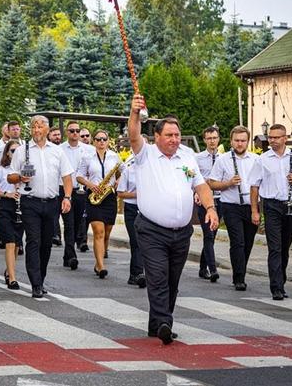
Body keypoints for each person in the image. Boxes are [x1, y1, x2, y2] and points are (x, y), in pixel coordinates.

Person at [128, 94, 218, 345]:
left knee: (172, 279)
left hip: (181, 232)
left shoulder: (188, 156)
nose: (174, 139)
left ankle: (156, 322)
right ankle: (165, 322)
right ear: (157, 137)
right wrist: (134, 112)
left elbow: (200, 185)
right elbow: (134, 134)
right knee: (157, 276)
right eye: (169, 135)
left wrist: (210, 208)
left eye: (177, 135)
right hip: (151, 230)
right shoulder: (144, 154)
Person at [8, 115, 73, 298]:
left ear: (47, 129)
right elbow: (10, 176)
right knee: (33, 241)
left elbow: (67, 176)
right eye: (34, 127)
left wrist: (67, 197)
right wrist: (21, 178)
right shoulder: (23, 150)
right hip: (30, 201)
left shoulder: (57, 151)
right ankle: (35, 284)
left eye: (40, 127)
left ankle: (41, 279)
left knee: (46, 244)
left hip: (51, 202)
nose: (36, 130)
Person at [249, 124, 292, 301]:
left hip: (291, 205)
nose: (272, 140)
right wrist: (255, 211)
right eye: (270, 137)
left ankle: (281, 281)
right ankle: (276, 287)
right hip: (271, 206)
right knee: (274, 248)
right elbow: (254, 186)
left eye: (276, 137)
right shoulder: (262, 159)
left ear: (285, 138)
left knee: (285, 247)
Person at [209, 126, 258, 291]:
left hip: (251, 206)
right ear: (231, 141)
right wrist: (228, 183)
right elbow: (212, 182)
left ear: (247, 141)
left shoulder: (256, 159)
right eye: (236, 140)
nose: (239, 144)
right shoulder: (223, 160)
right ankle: (239, 278)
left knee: (248, 243)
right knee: (238, 242)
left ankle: (241, 271)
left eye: (243, 140)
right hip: (230, 206)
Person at [77, 129, 123, 278]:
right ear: (94, 141)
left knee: (107, 232)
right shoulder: (87, 157)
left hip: (109, 196)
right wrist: (90, 185)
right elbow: (79, 176)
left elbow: (124, 171)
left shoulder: (114, 156)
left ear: (108, 141)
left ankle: (100, 259)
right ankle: (100, 265)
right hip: (94, 196)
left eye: (104, 139)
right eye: (98, 139)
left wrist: (118, 180)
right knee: (98, 231)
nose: (101, 142)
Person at [0, 140, 24, 289]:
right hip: (6, 206)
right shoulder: (2, 170)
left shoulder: (26, 169)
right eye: (12, 151)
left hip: (21, 206)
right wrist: (7, 194)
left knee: (17, 244)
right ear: (7, 153)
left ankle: (9, 271)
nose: (15, 154)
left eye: (18, 151)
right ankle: (12, 277)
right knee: (9, 242)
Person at [60, 121, 94, 260]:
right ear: (67, 132)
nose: (75, 133)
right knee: (68, 223)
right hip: (65, 190)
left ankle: (68, 253)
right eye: (72, 130)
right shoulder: (60, 149)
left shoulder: (89, 149)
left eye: (77, 131)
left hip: (81, 190)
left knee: (78, 222)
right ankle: (70, 256)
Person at [195, 126, 224, 282]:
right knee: (208, 234)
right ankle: (212, 269)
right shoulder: (197, 158)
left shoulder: (224, 158)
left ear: (218, 139)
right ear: (205, 140)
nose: (212, 141)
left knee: (212, 235)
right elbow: (191, 178)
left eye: (214, 138)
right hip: (204, 201)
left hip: (220, 199)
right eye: (209, 138)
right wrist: (196, 192)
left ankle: (202, 268)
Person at [117, 151, 146, 288]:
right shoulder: (128, 170)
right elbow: (121, 193)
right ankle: (138, 273)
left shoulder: (151, 170)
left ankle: (136, 274)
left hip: (147, 208)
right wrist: (136, 194)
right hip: (132, 209)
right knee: (136, 241)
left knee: (144, 242)